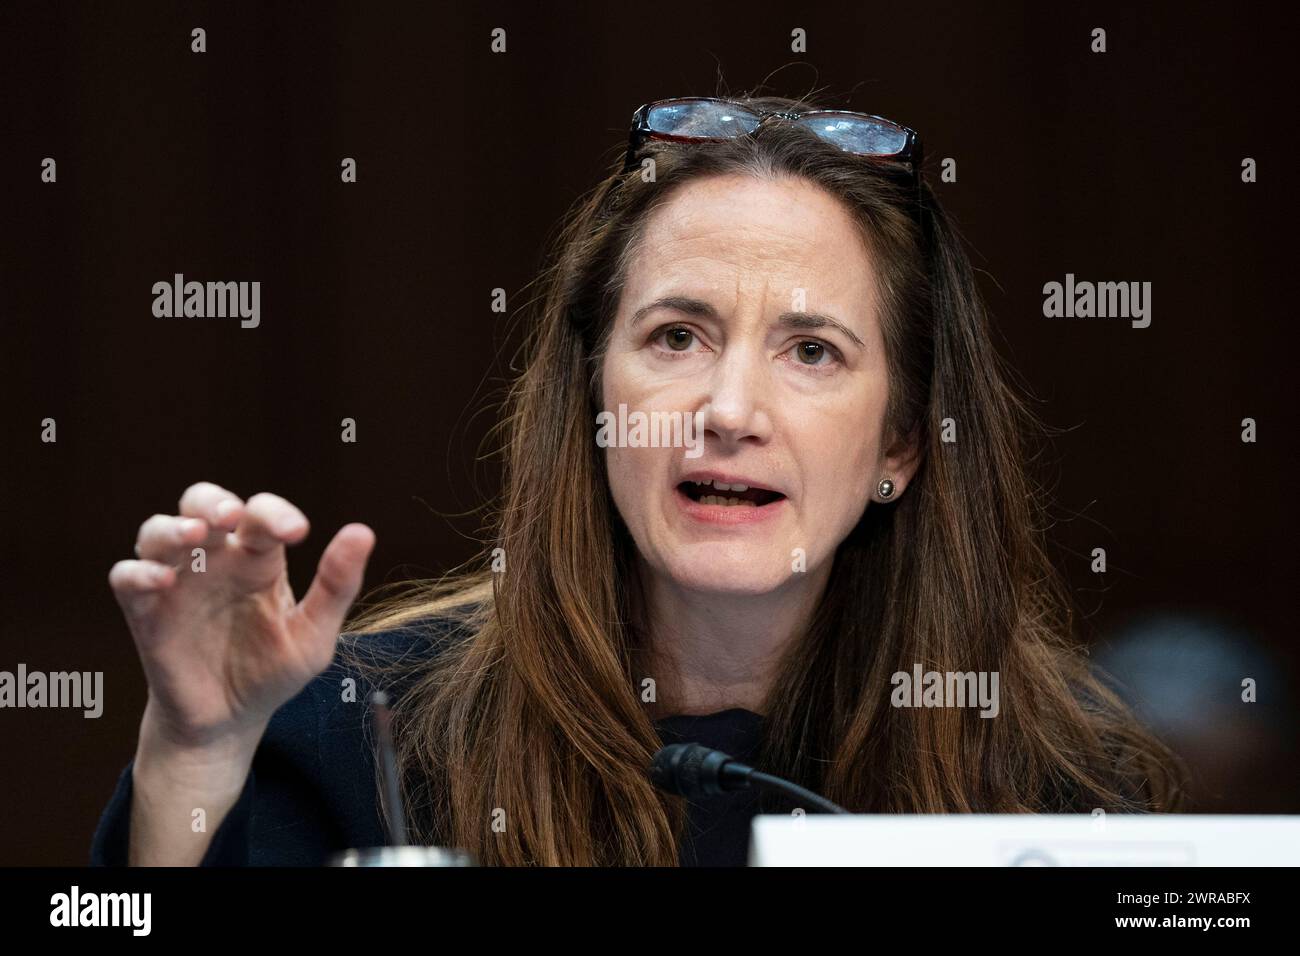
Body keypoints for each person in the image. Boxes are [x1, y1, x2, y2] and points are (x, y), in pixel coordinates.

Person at [91, 93, 1186, 868]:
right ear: (592, 399)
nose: (730, 410)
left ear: (899, 443)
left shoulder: (1056, 777)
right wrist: (193, 754)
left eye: (812, 351)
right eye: (675, 336)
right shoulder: (360, 727)